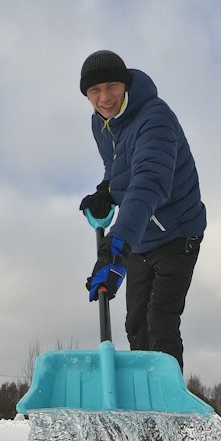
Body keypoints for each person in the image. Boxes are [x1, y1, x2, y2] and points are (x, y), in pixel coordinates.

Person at [78, 50, 206, 370]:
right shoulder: (101, 124)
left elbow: (149, 181)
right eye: (94, 91)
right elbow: (118, 169)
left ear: (126, 84)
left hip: (177, 231)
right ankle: (144, 413)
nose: (104, 97)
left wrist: (116, 249)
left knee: (160, 323)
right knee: (136, 325)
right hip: (140, 235)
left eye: (111, 86)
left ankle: (169, 414)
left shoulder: (155, 118)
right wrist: (105, 191)